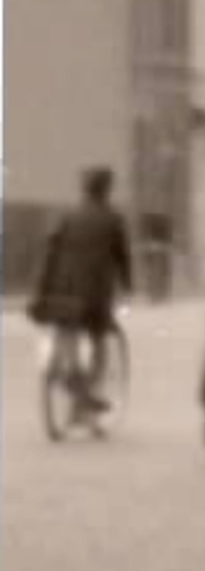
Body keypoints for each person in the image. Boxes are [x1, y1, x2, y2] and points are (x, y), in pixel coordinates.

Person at [29, 167, 133, 410]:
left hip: (59, 290)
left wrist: (41, 290)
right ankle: (85, 392)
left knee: (67, 328)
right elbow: (122, 258)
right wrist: (128, 286)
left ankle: (68, 373)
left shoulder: (66, 216)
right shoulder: (113, 219)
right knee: (99, 338)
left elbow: (50, 252)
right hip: (93, 295)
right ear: (107, 189)